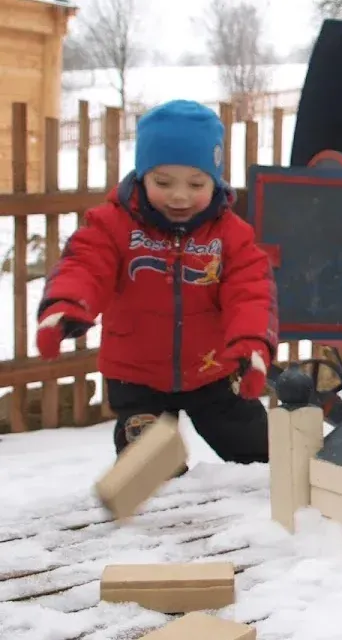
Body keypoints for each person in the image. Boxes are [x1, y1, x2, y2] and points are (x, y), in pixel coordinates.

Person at [36, 99, 278, 468]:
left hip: (213, 370)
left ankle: (273, 500)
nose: (179, 195)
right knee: (150, 468)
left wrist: (252, 343)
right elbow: (85, 264)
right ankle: (153, 498)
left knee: (261, 457)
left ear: (215, 181)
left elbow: (251, 291)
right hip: (137, 377)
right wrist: (66, 304)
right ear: (142, 176)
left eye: (196, 183)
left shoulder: (230, 236)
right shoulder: (113, 225)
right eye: (163, 182)